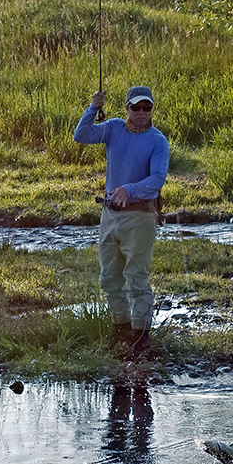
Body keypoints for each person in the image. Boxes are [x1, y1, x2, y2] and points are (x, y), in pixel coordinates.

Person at [73, 86, 169, 359]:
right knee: (109, 278)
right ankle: (121, 335)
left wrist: (129, 189)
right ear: (126, 107)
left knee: (137, 279)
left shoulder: (158, 141)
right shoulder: (113, 128)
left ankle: (141, 341)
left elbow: (157, 179)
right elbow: (81, 135)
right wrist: (93, 107)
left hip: (140, 217)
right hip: (109, 215)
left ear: (152, 110)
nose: (141, 113)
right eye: (135, 107)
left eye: (146, 108)